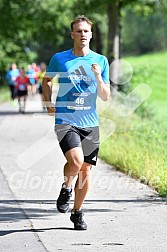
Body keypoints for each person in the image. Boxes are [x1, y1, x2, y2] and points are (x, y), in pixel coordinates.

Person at [42, 15, 110, 230]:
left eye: (86, 31)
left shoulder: (100, 61)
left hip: (90, 122)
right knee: (76, 162)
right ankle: (66, 186)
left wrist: (99, 78)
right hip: (65, 119)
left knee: (86, 171)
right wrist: (47, 102)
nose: (82, 34)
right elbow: (46, 80)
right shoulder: (60, 59)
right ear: (72, 34)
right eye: (78, 31)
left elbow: (106, 96)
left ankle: (77, 212)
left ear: (91, 34)